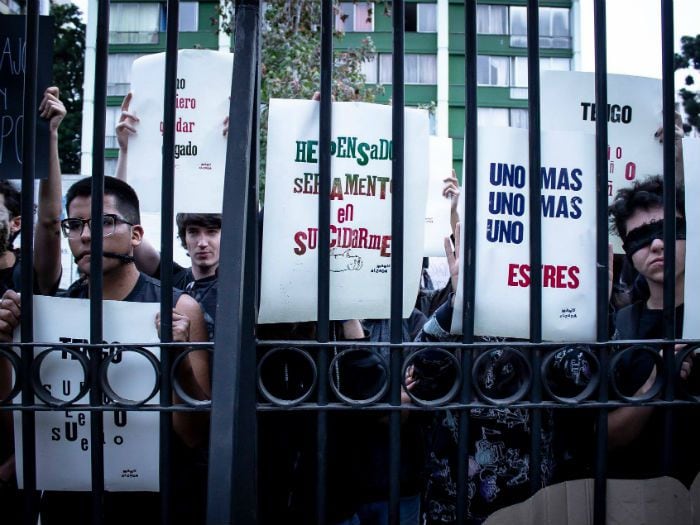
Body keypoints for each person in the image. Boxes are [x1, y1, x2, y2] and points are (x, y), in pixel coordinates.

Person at [0, 176, 209, 524]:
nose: (84, 236)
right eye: (74, 225)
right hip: (71, 500)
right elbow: (14, 429)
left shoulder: (177, 309)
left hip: (158, 498)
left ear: (136, 235)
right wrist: (5, 347)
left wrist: (178, 358)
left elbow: (195, 434)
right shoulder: (53, 313)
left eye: (104, 223)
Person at [411, 224, 594, 525]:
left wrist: (589, 308)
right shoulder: (460, 307)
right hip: (454, 496)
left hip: (529, 496)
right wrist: (457, 304)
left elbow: (584, 377)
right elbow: (420, 369)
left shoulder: (548, 310)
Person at [607, 175, 699, 485]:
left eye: (669, 230)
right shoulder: (619, 327)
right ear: (627, 249)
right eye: (642, 237)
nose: (657, 244)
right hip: (639, 499)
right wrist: (654, 385)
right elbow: (605, 438)